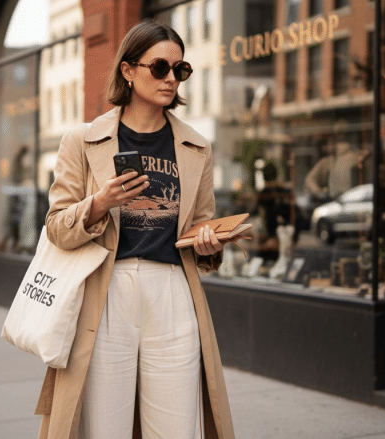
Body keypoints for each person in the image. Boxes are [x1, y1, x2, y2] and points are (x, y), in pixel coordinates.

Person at [36, 20, 234, 439]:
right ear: (128, 71)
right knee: (104, 426)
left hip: (173, 292)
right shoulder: (83, 140)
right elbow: (57, 227)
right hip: (107, 291)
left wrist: (209, 242)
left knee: (176, 427)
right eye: (159, 67)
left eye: (179, 70)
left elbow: (201, 224)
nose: (170, 79)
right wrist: (100, 203)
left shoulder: (196, 145)